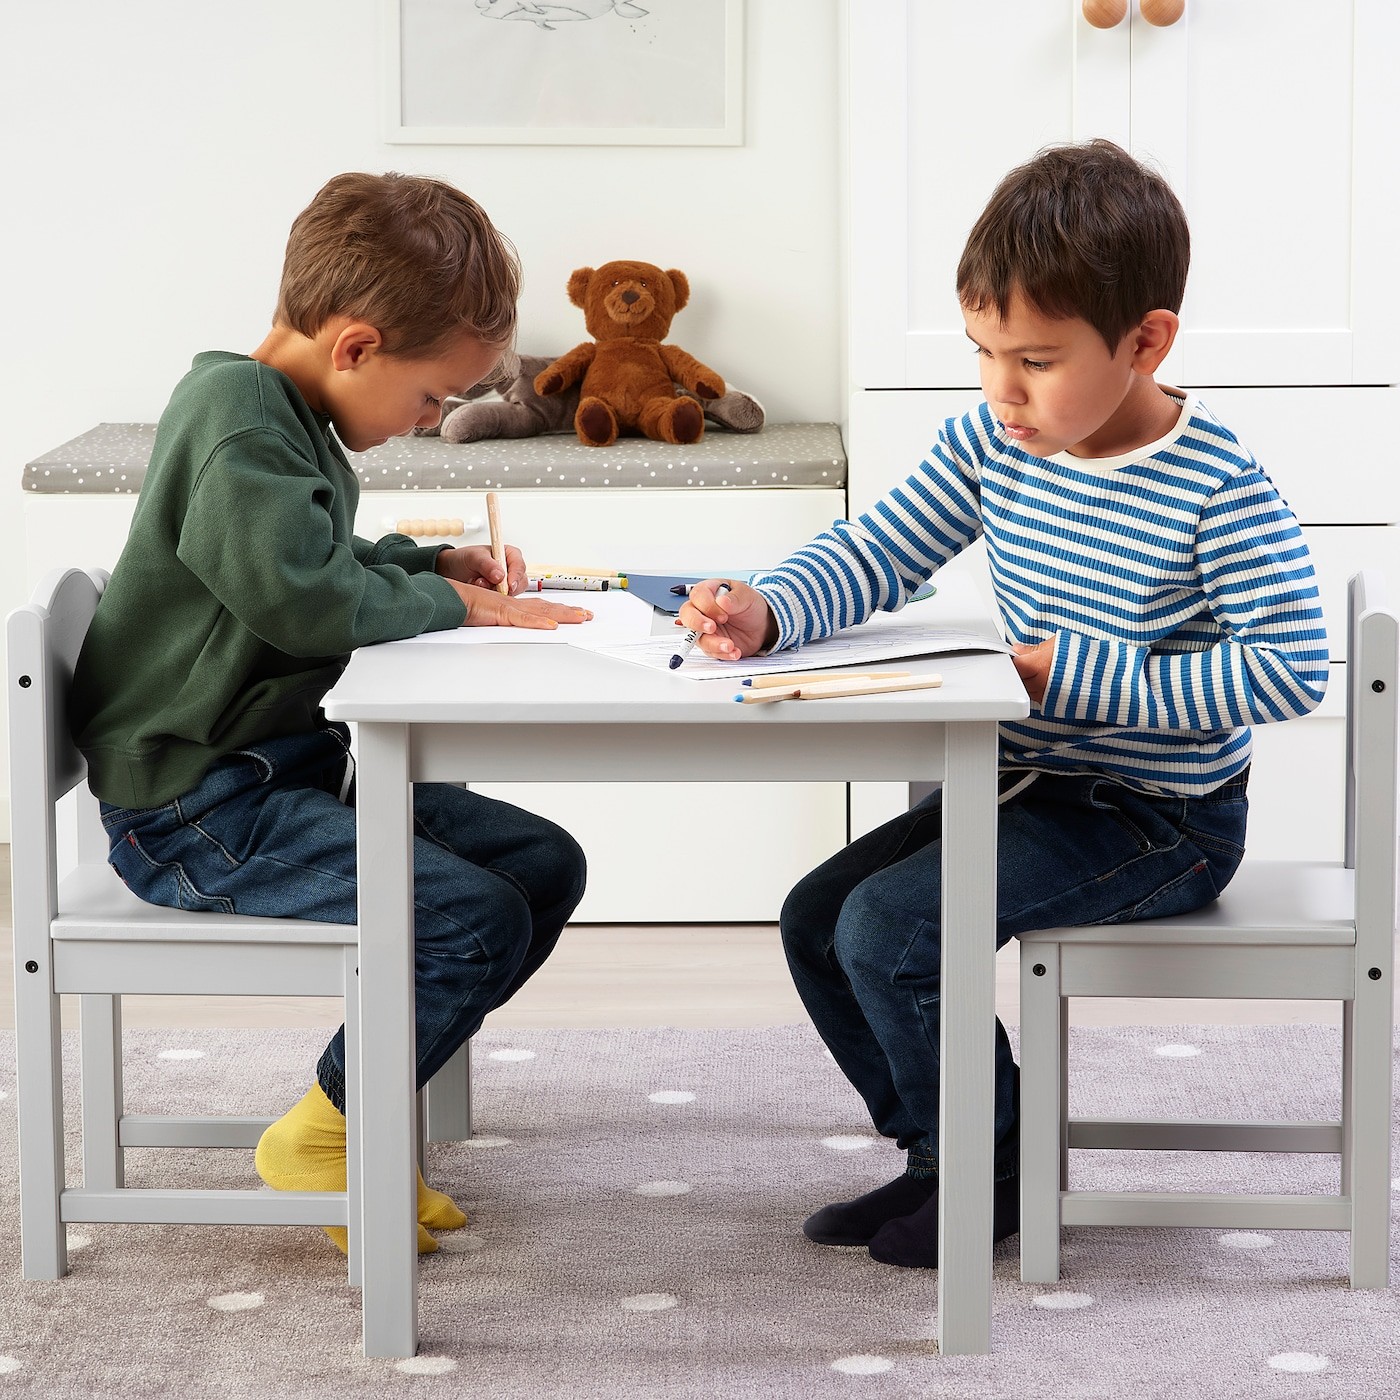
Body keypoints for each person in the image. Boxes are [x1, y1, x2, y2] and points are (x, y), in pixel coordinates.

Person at [677, 140, 1327, 1268]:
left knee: (891, 927)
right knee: (815, 920)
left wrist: (1054, 671)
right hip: (1023, 783)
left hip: (1157, 819)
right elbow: (880, 547)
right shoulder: (995, 439)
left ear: (1144, 341)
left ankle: (990, 1167)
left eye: (1031, 359)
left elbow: (1287, 668)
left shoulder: (1217, 483)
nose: (998, 390)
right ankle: (949, 1154)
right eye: (981, 352)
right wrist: (771, 611)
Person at [69, 171, 592, 1256]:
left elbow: (315, 556)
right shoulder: (235, 420)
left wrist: (425, 559)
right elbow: (301, 599)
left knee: (540, 864)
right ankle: (331, 1130)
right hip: (194, 807)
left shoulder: (281, 415)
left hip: (269, 775)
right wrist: (452, 600)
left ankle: (352, 1118)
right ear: (354, 346)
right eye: (428, 397)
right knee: (466, 915)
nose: (428, 422)